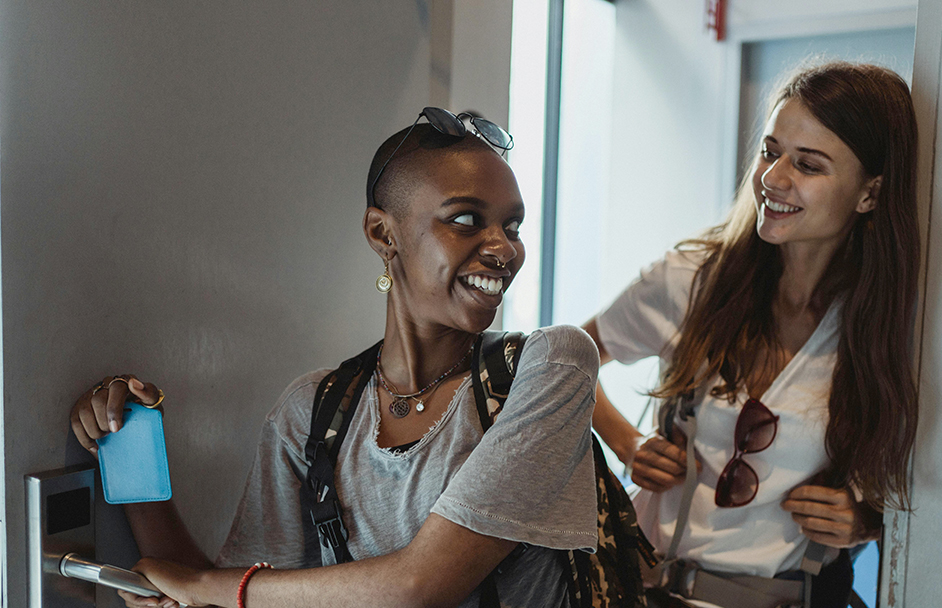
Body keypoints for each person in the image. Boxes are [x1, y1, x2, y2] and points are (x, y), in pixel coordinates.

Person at [70, 109, 600, 608]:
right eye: (465, 219)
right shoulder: (313, 411)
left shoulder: (550, 366)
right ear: (382, 233)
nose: (504, 250)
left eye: (512, 227)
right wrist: (128, 444)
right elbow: (230, 595)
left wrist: (204, 586)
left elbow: (419, 586)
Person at [585, 62, 919, 608]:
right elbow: (562, 360)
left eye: (808, 165)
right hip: (646, 591)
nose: (772, 177)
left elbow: (915, 479)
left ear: (870, 194)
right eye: (771, 151)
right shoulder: (692, 279)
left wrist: (865, 519)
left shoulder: (889, 328)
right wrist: (629, 440)